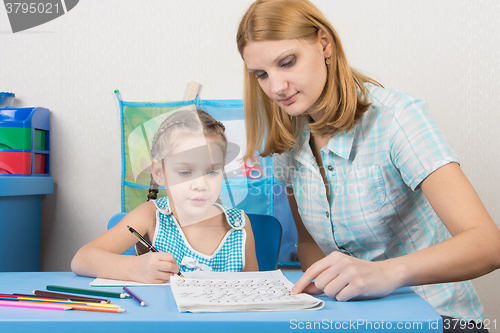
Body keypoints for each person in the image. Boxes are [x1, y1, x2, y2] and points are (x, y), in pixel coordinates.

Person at [236, 0, 500, 328]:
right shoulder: (289, 143)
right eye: (261, 74)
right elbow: (309, 243)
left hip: (437, 317)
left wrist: (385, 273)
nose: (276, 88)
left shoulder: (397, 118)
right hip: (356, 322)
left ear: (324, 43)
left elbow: (487, 244)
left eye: (287, 62)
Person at [71, 109, 259, 283]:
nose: (201, 185)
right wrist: (136, 268)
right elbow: (82, 259)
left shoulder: (239, 225)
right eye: (185, 172)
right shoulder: (150, 216)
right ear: (160, 172)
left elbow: (255, 291)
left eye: (212, 171)